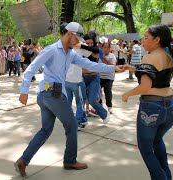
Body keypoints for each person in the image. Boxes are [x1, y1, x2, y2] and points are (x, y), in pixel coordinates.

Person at [14, 22, 126, 177]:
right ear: (69, 34)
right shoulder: (52, 50)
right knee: (72, 125)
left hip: (48, 95)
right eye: (77, 38)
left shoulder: (71, 53)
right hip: (53, 94)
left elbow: (89, 64)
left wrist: (113, 68)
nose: (79, 42)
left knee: (46, 130)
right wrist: (24, 90)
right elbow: (30, 69)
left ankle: (23, 160)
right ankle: (70, 160)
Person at [121, 24, 173, 180]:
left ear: (157, 40)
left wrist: (127, 93)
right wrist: (131, 68)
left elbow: (145, 86)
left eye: (146, 38)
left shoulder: (150, 57)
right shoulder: (168, 55)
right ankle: (166, 176)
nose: (142, 41)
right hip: (170, 107)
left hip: (152, 108)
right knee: (157, 141)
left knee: (145, 148)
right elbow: (156, 73)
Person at [99, 42, 117, 114]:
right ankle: (99, 106)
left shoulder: (112, 56)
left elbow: (113, 65)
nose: (106, 49)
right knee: (98, 92)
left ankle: (109, 107)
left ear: (110, 48)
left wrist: (104, 60)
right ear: (102, 48)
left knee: (108, 92)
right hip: (100, 76)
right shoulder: (99, 56)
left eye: (107, 47)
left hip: (109, 77)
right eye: (104, 47)